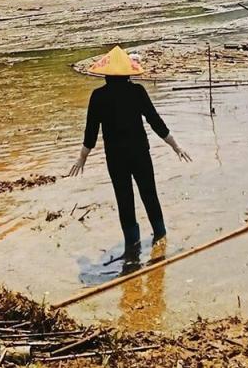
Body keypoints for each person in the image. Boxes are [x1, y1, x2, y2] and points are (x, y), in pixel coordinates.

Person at [68, 46, 191, 252]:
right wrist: (175, 146)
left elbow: (91, 134)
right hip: (139, 154)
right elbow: (155, 122)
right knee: (149, 193)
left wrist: (82, 158)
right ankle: (160, 238)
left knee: (124, 198)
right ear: (127, 73)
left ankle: (132, 248)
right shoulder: (137, 92)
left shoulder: (98, 97)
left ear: (106, 74)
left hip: (116, 158)